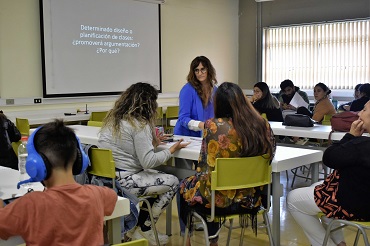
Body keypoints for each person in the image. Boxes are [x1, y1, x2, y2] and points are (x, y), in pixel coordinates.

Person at [179, 82, 276, 246]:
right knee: (211, 185)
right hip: (252, 198)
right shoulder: (262, 124)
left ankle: (196, 239)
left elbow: (204, 165)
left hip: (220, 201)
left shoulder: (213, 126)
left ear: (219, 103)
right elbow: (270, 155)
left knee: (187, 185)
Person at [98, 82, 189, 245]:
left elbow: (129, 150)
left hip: (107, 180)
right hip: (125, 181)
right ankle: (144, 229)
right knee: (174, 181)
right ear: (148, 103)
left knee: (162, 178)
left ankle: (134, 230)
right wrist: (172, 149)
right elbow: (148, 162)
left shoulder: (115, 119)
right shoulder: (140, 124)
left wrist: (151, 144)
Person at [0, 120, 117, 245]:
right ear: (79, 160)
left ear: (36, 164)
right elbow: (112, 197)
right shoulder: (97, 195)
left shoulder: (30, 204)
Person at [287, 100, 370, 246]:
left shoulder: (361, 146)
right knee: (317, 185)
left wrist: (350, 136)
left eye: (364, 110)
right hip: (363, 199)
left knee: (293, 199)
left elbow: (329, 157)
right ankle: (339, 243)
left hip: (353, 205)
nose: (359, 113)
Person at [174, 56, 218, 138]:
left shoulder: (215, 90)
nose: (200, 73)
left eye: (203, 69)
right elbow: (183, 118)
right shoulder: (187, 90)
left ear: (209, 70)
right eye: (196, 70)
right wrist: (202, 125)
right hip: (187, 137)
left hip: (207, 136)